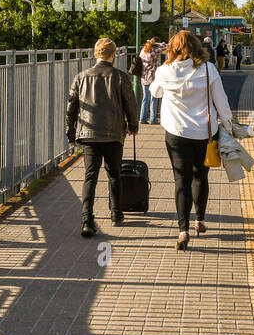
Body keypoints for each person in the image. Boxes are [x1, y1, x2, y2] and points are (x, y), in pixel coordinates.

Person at [149, 29, 234, 250]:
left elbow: (155, 92)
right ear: (197, 47)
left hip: (176, 133)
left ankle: (182, 230)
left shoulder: (165, 70)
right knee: (200, 176)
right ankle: (200, 219)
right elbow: (221, 102)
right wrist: (228, 126)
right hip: (205, 133)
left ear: (173, 48)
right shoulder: (208, 69)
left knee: (181, 180)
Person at [65, 37, 139, 236]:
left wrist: (71, 132)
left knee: (90, 177)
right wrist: (133, 126)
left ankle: (87, 222)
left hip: (89, 134)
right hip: (113, 133)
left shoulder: (81, 77)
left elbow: (71, 108)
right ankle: (116, 214)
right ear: (113, 55)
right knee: (114, 175)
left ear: (96, 54)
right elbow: (130, 104)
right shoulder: (121, 77)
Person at [140, 37, 167, 123]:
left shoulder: (143, 50)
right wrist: (158, 44)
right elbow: (166, 46)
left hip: (144, 77)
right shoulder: (155, 51)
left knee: (145, 98)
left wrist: (151, 42)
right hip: (153, 78)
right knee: (154, 98)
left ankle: (142, 119)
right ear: (155, 44)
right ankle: (153, 119)